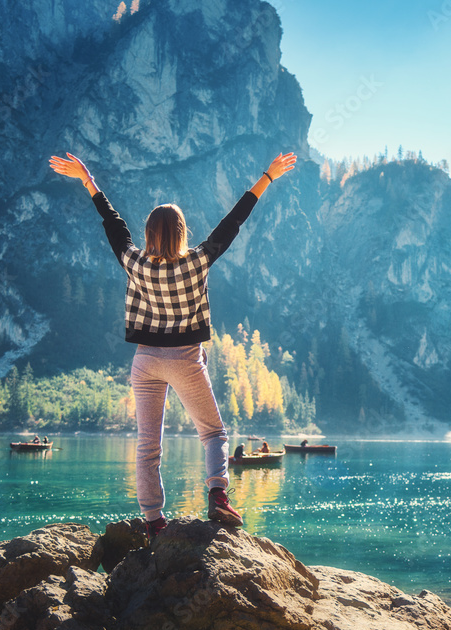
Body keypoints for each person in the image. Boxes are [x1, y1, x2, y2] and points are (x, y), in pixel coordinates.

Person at [48, 150, 296, 538]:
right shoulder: (196, 261)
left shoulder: (135, 263)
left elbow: (112, 224)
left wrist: (88, 180)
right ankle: (218, 496)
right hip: (185, 359)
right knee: (213, 434)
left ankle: (154, 522)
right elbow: (232, 223)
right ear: (182, 232)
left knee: (148, 446)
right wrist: (268, 176)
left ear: (149, 234)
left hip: (145, 362)